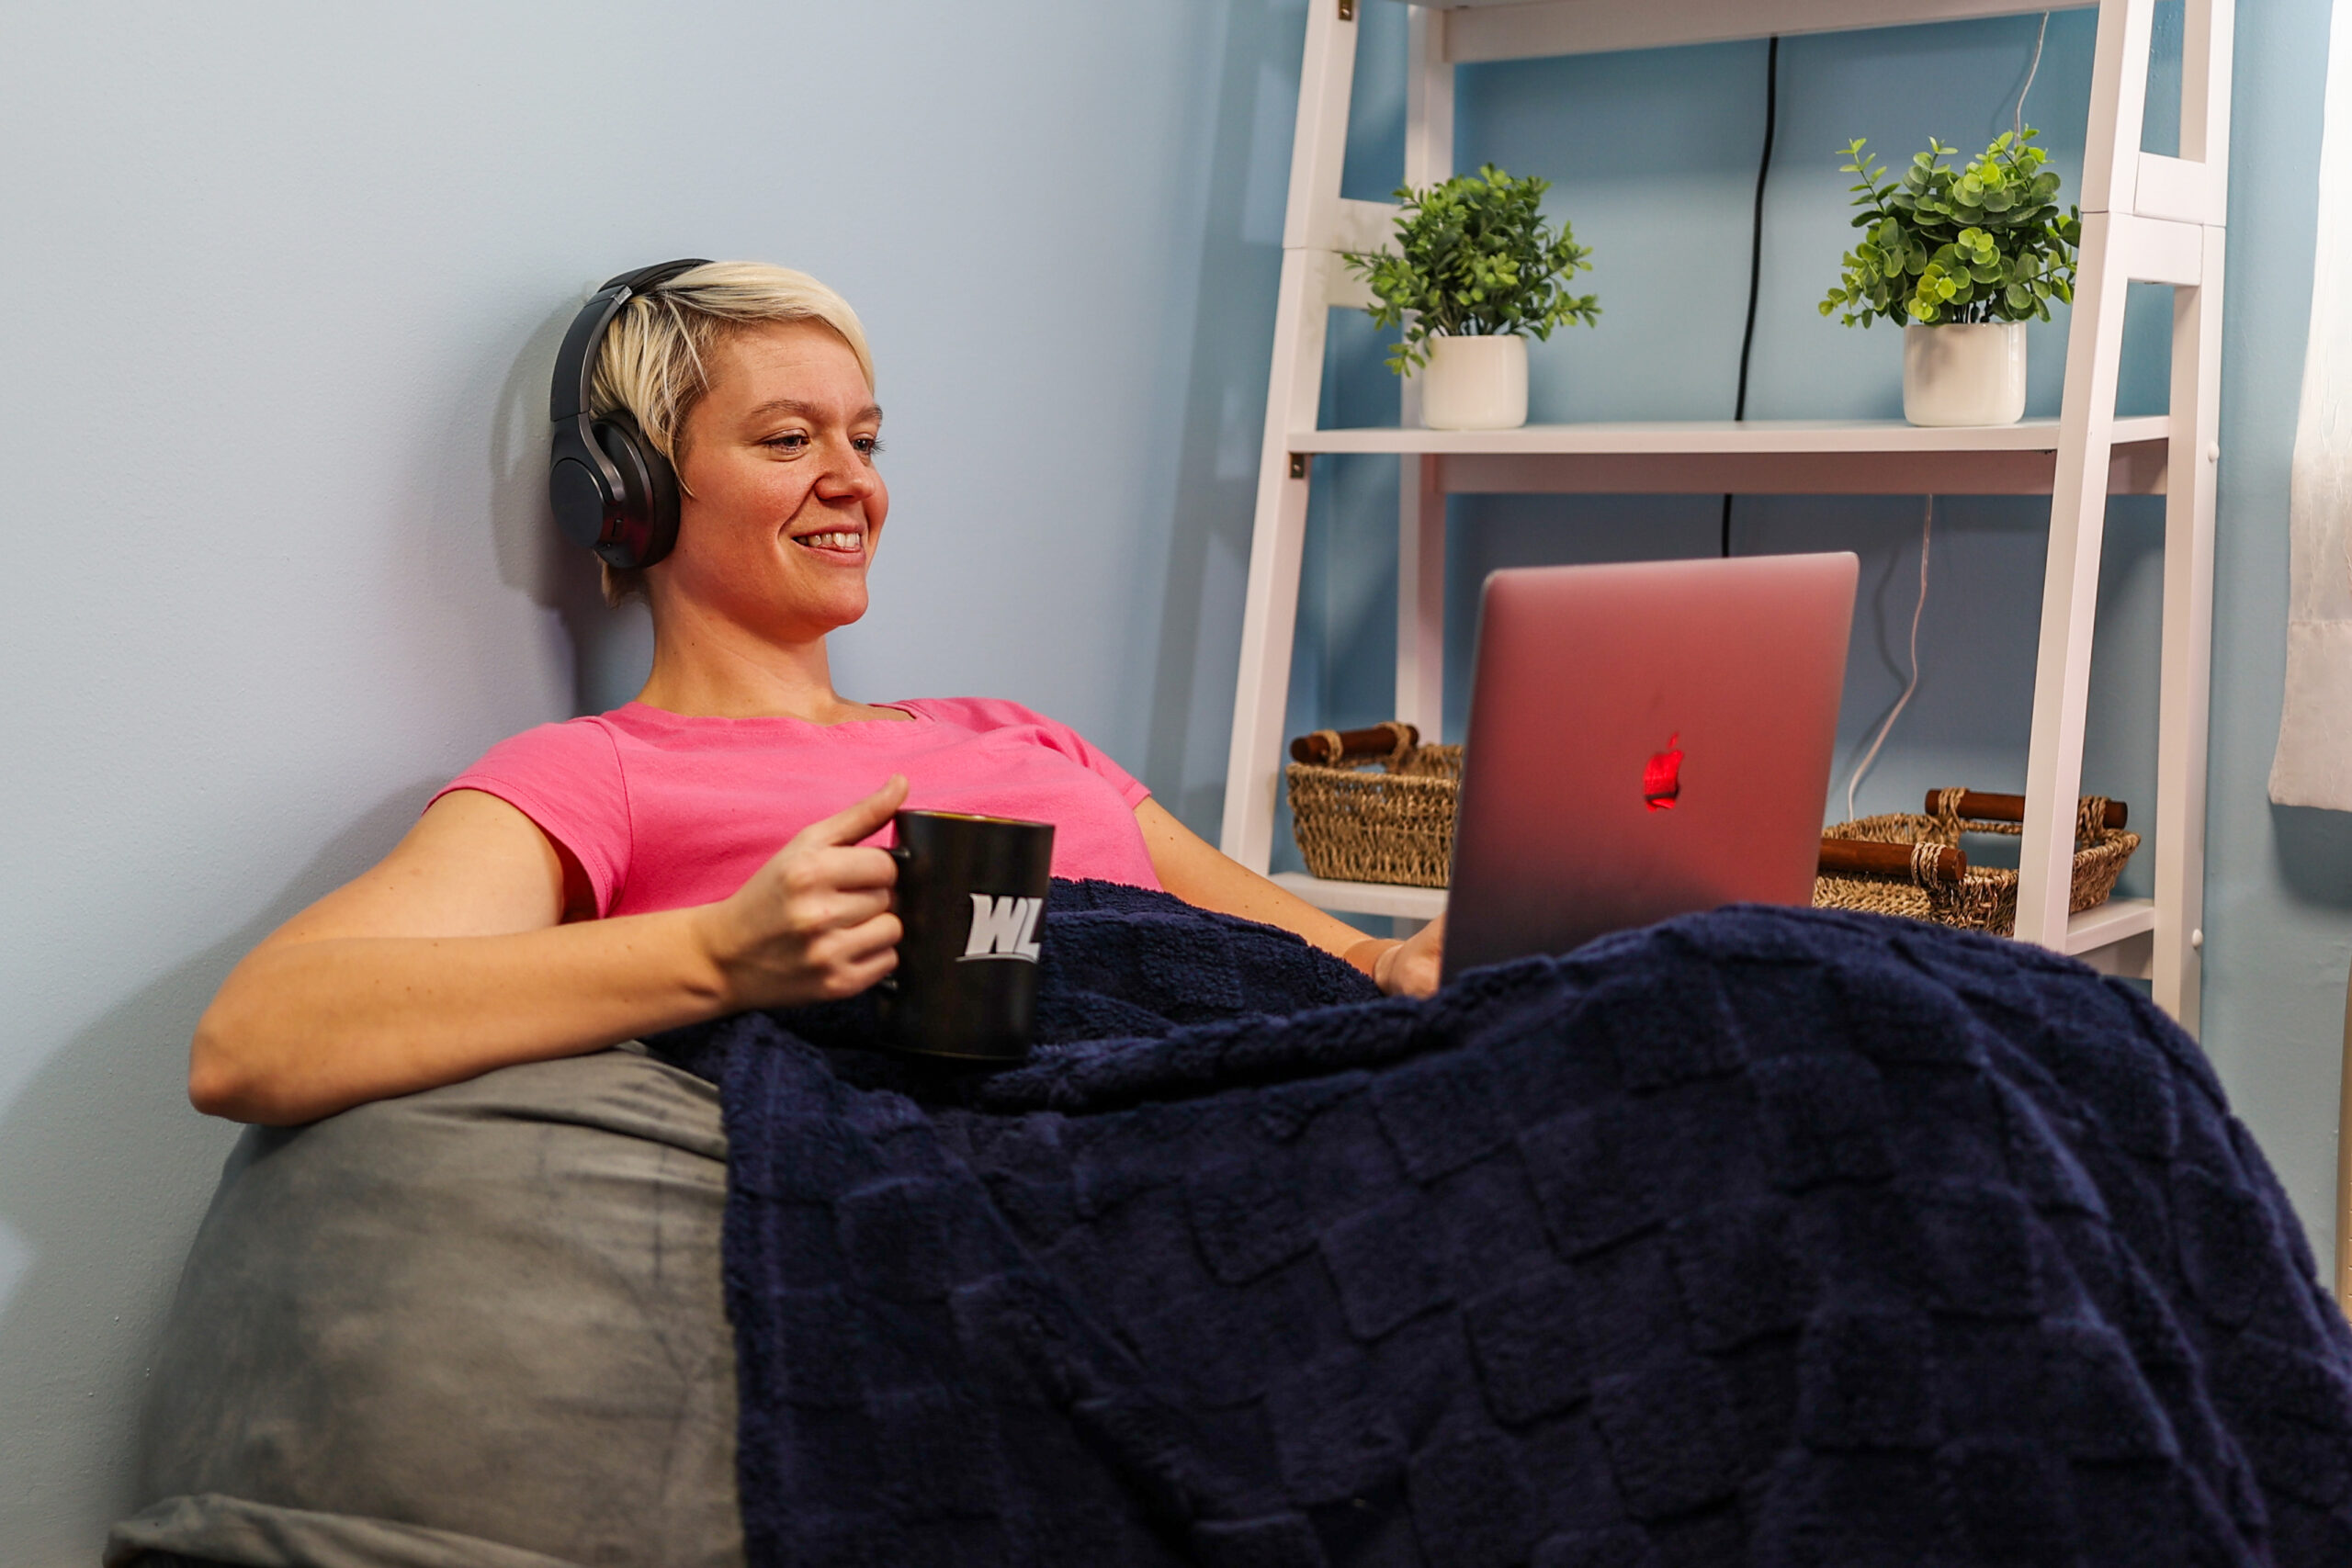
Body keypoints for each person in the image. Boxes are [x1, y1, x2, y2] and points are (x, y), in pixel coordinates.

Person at [190, 261, 1445, 1127]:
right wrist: (719, 954)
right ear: (634, 493)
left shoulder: (1015, 735)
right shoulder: (601, 774)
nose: (853, 480)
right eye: (789, 441)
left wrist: (1396, 969)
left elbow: (1317, 954)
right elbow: (254, 1035)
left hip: (1276, 1085)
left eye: (866, 439)